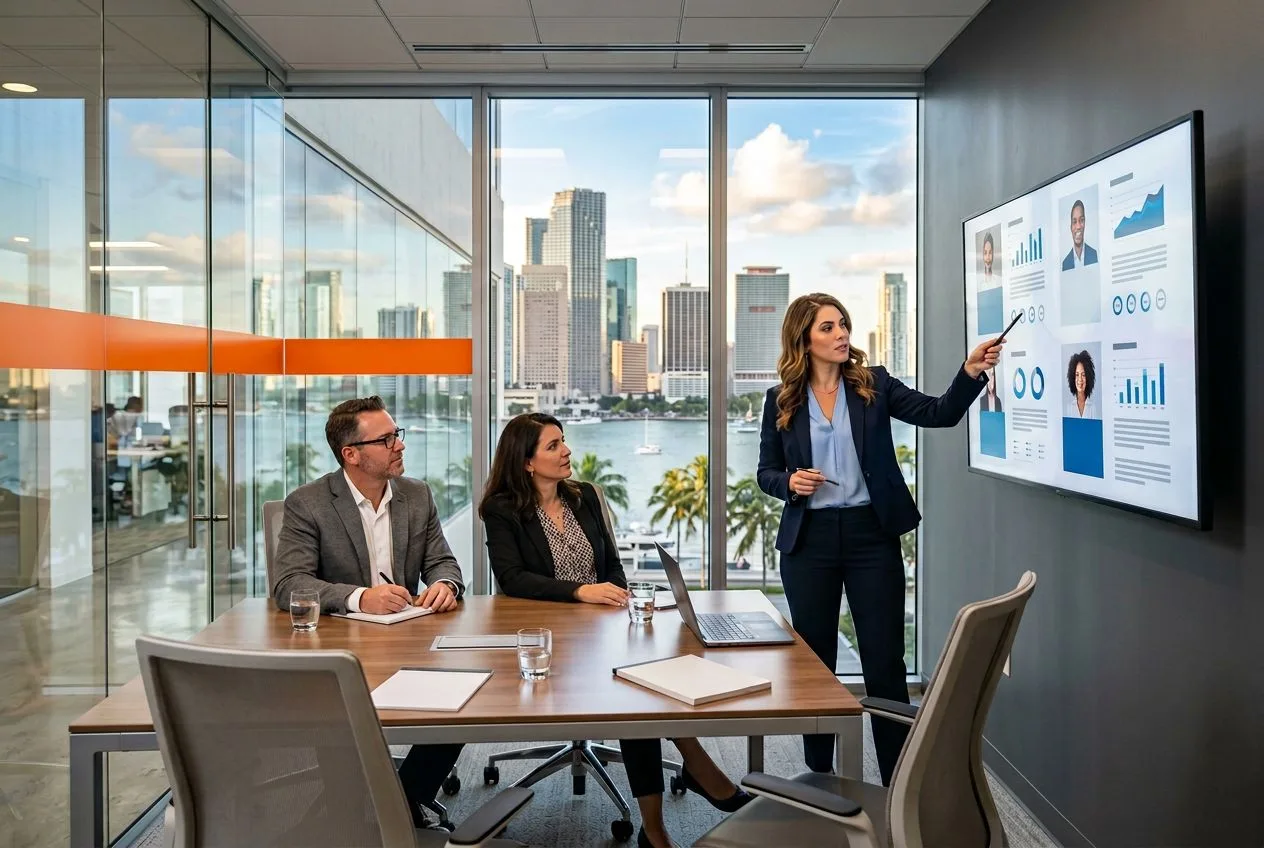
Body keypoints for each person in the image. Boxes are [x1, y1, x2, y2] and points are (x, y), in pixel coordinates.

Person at [757, 293, 1001, 786]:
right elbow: (765, 471)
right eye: (828, 327)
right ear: (804, 338)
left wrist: (970, 372)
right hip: (811, 542)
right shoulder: (780, 399)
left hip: (872, 536)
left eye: (843, 324)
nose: (842, 333)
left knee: (884, 660)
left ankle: (899, 778)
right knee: (816, 659)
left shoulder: (875, 385)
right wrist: (790, 483)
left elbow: (939, 413)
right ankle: (819, 773)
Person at [481, 413, 751, 848]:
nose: (566, 451)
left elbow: (612, 566)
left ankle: (669, 811)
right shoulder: (502, 511)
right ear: (526, 461)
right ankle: (675, 807)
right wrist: (582, 592)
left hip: (604, 628)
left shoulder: (584, 496)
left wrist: (620, 603)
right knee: (637, 697)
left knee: (645, 685)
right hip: (550, 640)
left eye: (563, 442)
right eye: (553, 446)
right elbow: (513, 579)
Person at [271, 396, 465, 831]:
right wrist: (361, 597)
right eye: (386, 438)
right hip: (339, 651)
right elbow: (289, 585)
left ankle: (406, 796)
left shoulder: (416, 495)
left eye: (397, 434)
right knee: (336, 713)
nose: (399, 445)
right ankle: (355, 808)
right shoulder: (309, 502)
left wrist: (444, 585)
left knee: (465, 699)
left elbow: (444, 562)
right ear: (352, 454)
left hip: (409, 641)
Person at [1061, 199, 1099, 270]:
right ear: (1070, 227)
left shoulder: (1094, 254)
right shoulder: (1065, 263)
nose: (1078, 226)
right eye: (1074, 222)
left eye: (1081, 220)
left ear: (1085, 223)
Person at [1064, 350, 1099, 419]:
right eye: (1077, 375)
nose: (1080, 379)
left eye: (1083, 375)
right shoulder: (1069, 407)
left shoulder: (1093, 408)